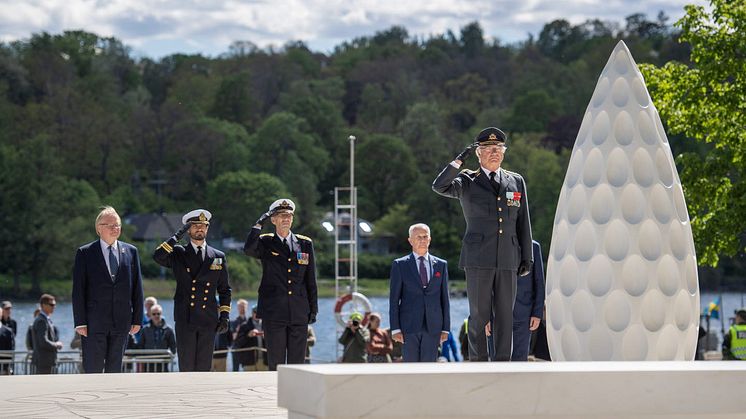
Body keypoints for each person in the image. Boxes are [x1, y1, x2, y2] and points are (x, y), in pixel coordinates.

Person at [432, 127, 533, 362]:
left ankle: (502, 363)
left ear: (504, 152)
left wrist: (527, 257)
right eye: (488, 149)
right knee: (479, 315)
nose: (494, 153)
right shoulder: (467, 180)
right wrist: (458, 161)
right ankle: (479, 363)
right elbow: (439, 186)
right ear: (478, 153)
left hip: (508, 257)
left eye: (498, 149)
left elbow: (523, 222)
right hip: (478, 258)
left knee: (505, 316)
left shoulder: (515, 181)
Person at [243, 199, 318, 371]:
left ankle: (296, 398)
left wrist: (313, 309)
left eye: (289, 216)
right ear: (273, 220)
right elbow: (248, 250)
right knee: (276, 363)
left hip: (299, 311)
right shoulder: (265, 242)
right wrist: (257, 225)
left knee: (297, 365)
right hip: (274, 312)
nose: (286, 219)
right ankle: (274, 396)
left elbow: (310, 280)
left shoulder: (305, 243)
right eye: (281, 216)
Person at [153, 209, 232, 372]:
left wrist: (224, 316)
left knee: (204, 367)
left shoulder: (218, 256)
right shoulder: (178, 253)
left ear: (207, 228)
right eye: (195, 225)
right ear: (188, 229)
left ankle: (202, 398)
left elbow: (224, 289)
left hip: (208, 319)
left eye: (203, 225)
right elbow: (158, 256)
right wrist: (176, 237)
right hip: (185, 319)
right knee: (187, 367)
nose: (199, 229)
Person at [73, 206, 144, 373]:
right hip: (93, 323)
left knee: (115, 370)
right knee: (93, 369)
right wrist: (80, 322)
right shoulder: (85, 253)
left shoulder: (131, 252)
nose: (115, 228)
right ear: (99, 228)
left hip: (121, 322)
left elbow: (137, 288)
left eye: (117, 225)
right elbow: (78, 290)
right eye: (110, 225)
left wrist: (137, 319)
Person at [389, 223, 451, 362]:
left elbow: (445, 299)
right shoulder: (400, 265)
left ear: (430, 239)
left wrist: (445, 329)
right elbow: (394, 300)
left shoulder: (441, 265)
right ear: (410, 240)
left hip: (433, 327)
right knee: (411, 370)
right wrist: (395, 329)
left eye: (425, 237)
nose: (422, 240)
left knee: (429, 369)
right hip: (408, 327)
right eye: (418, 237)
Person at [512, 240, 545, 361]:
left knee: (520, 361)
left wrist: (537, 314)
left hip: (524, 315)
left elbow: (539, 282)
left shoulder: (534, 247)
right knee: (498, 362)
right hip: (498, 315)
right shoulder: (496, 243)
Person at [137, 304, 177, 372]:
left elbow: (173, 346)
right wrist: (142, 360)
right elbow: (140, 345)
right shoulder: (145, 329)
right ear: (150, 315)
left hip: (163, 363)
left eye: (158, 313)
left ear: (161, 314)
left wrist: (169, 357)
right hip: (148, 363)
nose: (156, 316)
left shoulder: (168, 330)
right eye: (154, 314)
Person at [31, 294, 63, 374]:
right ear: (43, 305)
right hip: (43, 362)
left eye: (55, 305)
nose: (54, 307)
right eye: (51, 305)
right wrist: (57, 344)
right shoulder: (42, 321)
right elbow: (43, 342)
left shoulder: (44, 319)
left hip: (45, 362)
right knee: (42, 385)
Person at [234, 305, 268, 371]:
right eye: (255, 312)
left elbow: (274, 344)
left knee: (263, 381)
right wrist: (248, 336)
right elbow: (237, 344)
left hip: (264, 361)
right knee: (249, 381)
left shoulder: (267, 325)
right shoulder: (244, 326)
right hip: (249, 362)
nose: (257, 314)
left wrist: (267, 338)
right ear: (252, 313)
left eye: (259, 312)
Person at [230, 299, 250, 371]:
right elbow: (234, 337)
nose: (243, 308)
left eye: (244, 306)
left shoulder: (249, 321)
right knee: (235, 370)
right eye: (241, 306)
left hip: (247, 349)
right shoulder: (235, 322)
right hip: (236, 349)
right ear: (238, 308)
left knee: (248, 369)